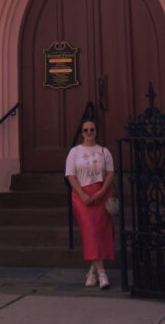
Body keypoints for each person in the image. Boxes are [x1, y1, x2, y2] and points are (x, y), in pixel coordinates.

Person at [65, 119, 115, 289]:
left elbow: (110, 174)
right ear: (81, 133)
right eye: (85, 130)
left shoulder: (104, 151)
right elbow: (70, 175)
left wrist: (101, 193)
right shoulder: (74, 152)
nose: (89, 133)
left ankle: (92, 272)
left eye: (92, 129)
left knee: (99, 233)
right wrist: (82, 194)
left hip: (101, 194)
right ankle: (102, 274)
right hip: (82, 196)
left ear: (96, 132)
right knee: (90, 232)